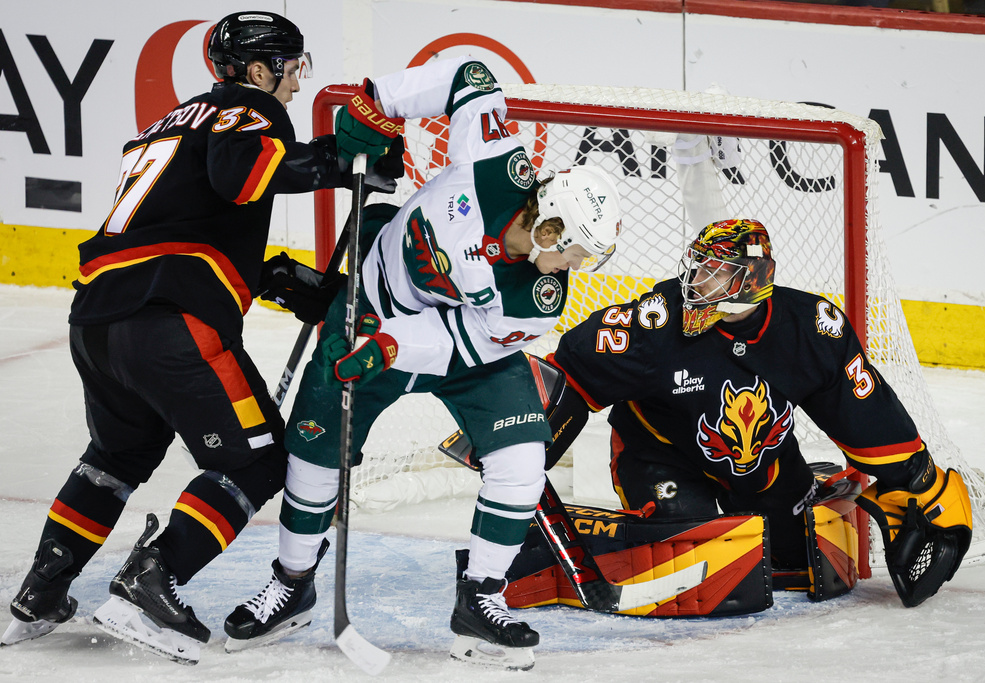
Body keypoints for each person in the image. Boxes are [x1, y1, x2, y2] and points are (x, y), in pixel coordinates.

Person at [1, 11, 399, 664]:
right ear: (259, 70)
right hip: (169, 320)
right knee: (258, 459)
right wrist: (339, 158)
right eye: (292, 66)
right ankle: (151, 581)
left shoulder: (172, 121)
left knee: (118, 455)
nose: (299, 81)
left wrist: (276, 277)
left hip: (99, 319)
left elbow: (183, 219)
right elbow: (238, 176)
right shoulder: (248, 108)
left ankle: (43, 587)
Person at [223, 56, 622, 671]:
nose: (574, 266)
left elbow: (461, 342)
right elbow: (470, 75)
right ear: (551, 223)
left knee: (522, 461)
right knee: (311, 456)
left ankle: (481, 598)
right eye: (574, 248)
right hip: (369, 306)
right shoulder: (494, 164)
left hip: (450, 347)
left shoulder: (536, 300)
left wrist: (388, 348)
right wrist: (378, 100)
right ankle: (294, 581)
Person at [544, 217, 974, 609]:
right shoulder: (655, 323)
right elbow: (571, 375)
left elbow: (863, 413)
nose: (697, 282)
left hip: (762, 459)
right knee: (694, 562)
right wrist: (526, 441)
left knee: (797, 559)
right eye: (697, 268)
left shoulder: (811, 329)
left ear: (753, 279)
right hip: (659, 455)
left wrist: (918, 479)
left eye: (716, 272)